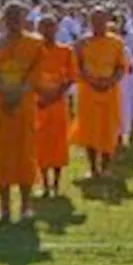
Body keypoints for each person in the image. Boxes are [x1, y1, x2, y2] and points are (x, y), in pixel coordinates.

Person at [0, 2, 44, 223]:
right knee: (1, 154)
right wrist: (5, 92)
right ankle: (4, 206)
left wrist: (19, 93)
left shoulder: (36, 44)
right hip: (0, 104)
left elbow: (37, 73)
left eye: (18, 17)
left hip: (24, 104)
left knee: (24, 152)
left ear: (25, 19)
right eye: (9, 17)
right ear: (3, 20)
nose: (14, 22)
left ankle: (26, 206)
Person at [72, 8, 129, 179]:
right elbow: (77, 66)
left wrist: (110, 81)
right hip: (88, 90)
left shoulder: (117, 42)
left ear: (107, 21)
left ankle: (106, 167)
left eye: (101, 21)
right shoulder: (82, 43)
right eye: (94, 21)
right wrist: (92, 81)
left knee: (108, 128)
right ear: (89, 23)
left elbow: (121, 66)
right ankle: (93, 168)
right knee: (89, 128)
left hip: (110, 90)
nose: (98, 25)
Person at [35, 15, 76, 197]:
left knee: (58, 142)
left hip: (58, 102)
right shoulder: (33, 51)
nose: (47, 31)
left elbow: (71, 77)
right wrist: (41, 95)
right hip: (38, 102)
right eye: (44, 27)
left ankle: (56, 183)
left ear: (57, 29)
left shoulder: (66, 51)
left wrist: (56, 94)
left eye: (51, 27)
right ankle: (44, 183)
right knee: (40, 142)